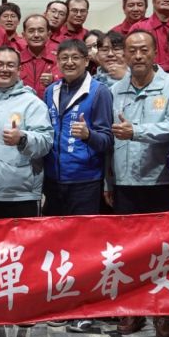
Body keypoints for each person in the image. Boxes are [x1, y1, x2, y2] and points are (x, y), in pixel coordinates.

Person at [110, 31, 169, 337]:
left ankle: (162, 313)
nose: (138, 56)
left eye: (144, 49)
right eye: (132, 50)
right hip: (125, 181)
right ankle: (133, 309)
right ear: (125, 55)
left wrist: (137, 132)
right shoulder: (115, 89)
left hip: (161, 180)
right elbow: (108, 138)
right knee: (129, 251)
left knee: (162, 251)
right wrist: (108, 180)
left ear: (156, 52)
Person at [0, 46, 53, 220]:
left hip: (19, 195)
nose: (4, 69)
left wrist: (22, 138)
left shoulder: (32, 103)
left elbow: (46, 142)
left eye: (10, 65)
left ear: (19, 70)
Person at [43, 39, 113, 217]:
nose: (69, 62)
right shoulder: (50, 91)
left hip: (85, 180)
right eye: (64, 58)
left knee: (82, 233)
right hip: (52, 179)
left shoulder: (99, 91)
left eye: (75, 57)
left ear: (86, 61)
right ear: (57, 62)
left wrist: (88, 135)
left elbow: (107, 140)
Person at [18, 13, 59, 100]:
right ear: (24, 35)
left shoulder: (59, 60)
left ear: (48, 34)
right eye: (31, 31)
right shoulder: (15, 61)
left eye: (41, 31)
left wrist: (54, 80)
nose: (36, 35)